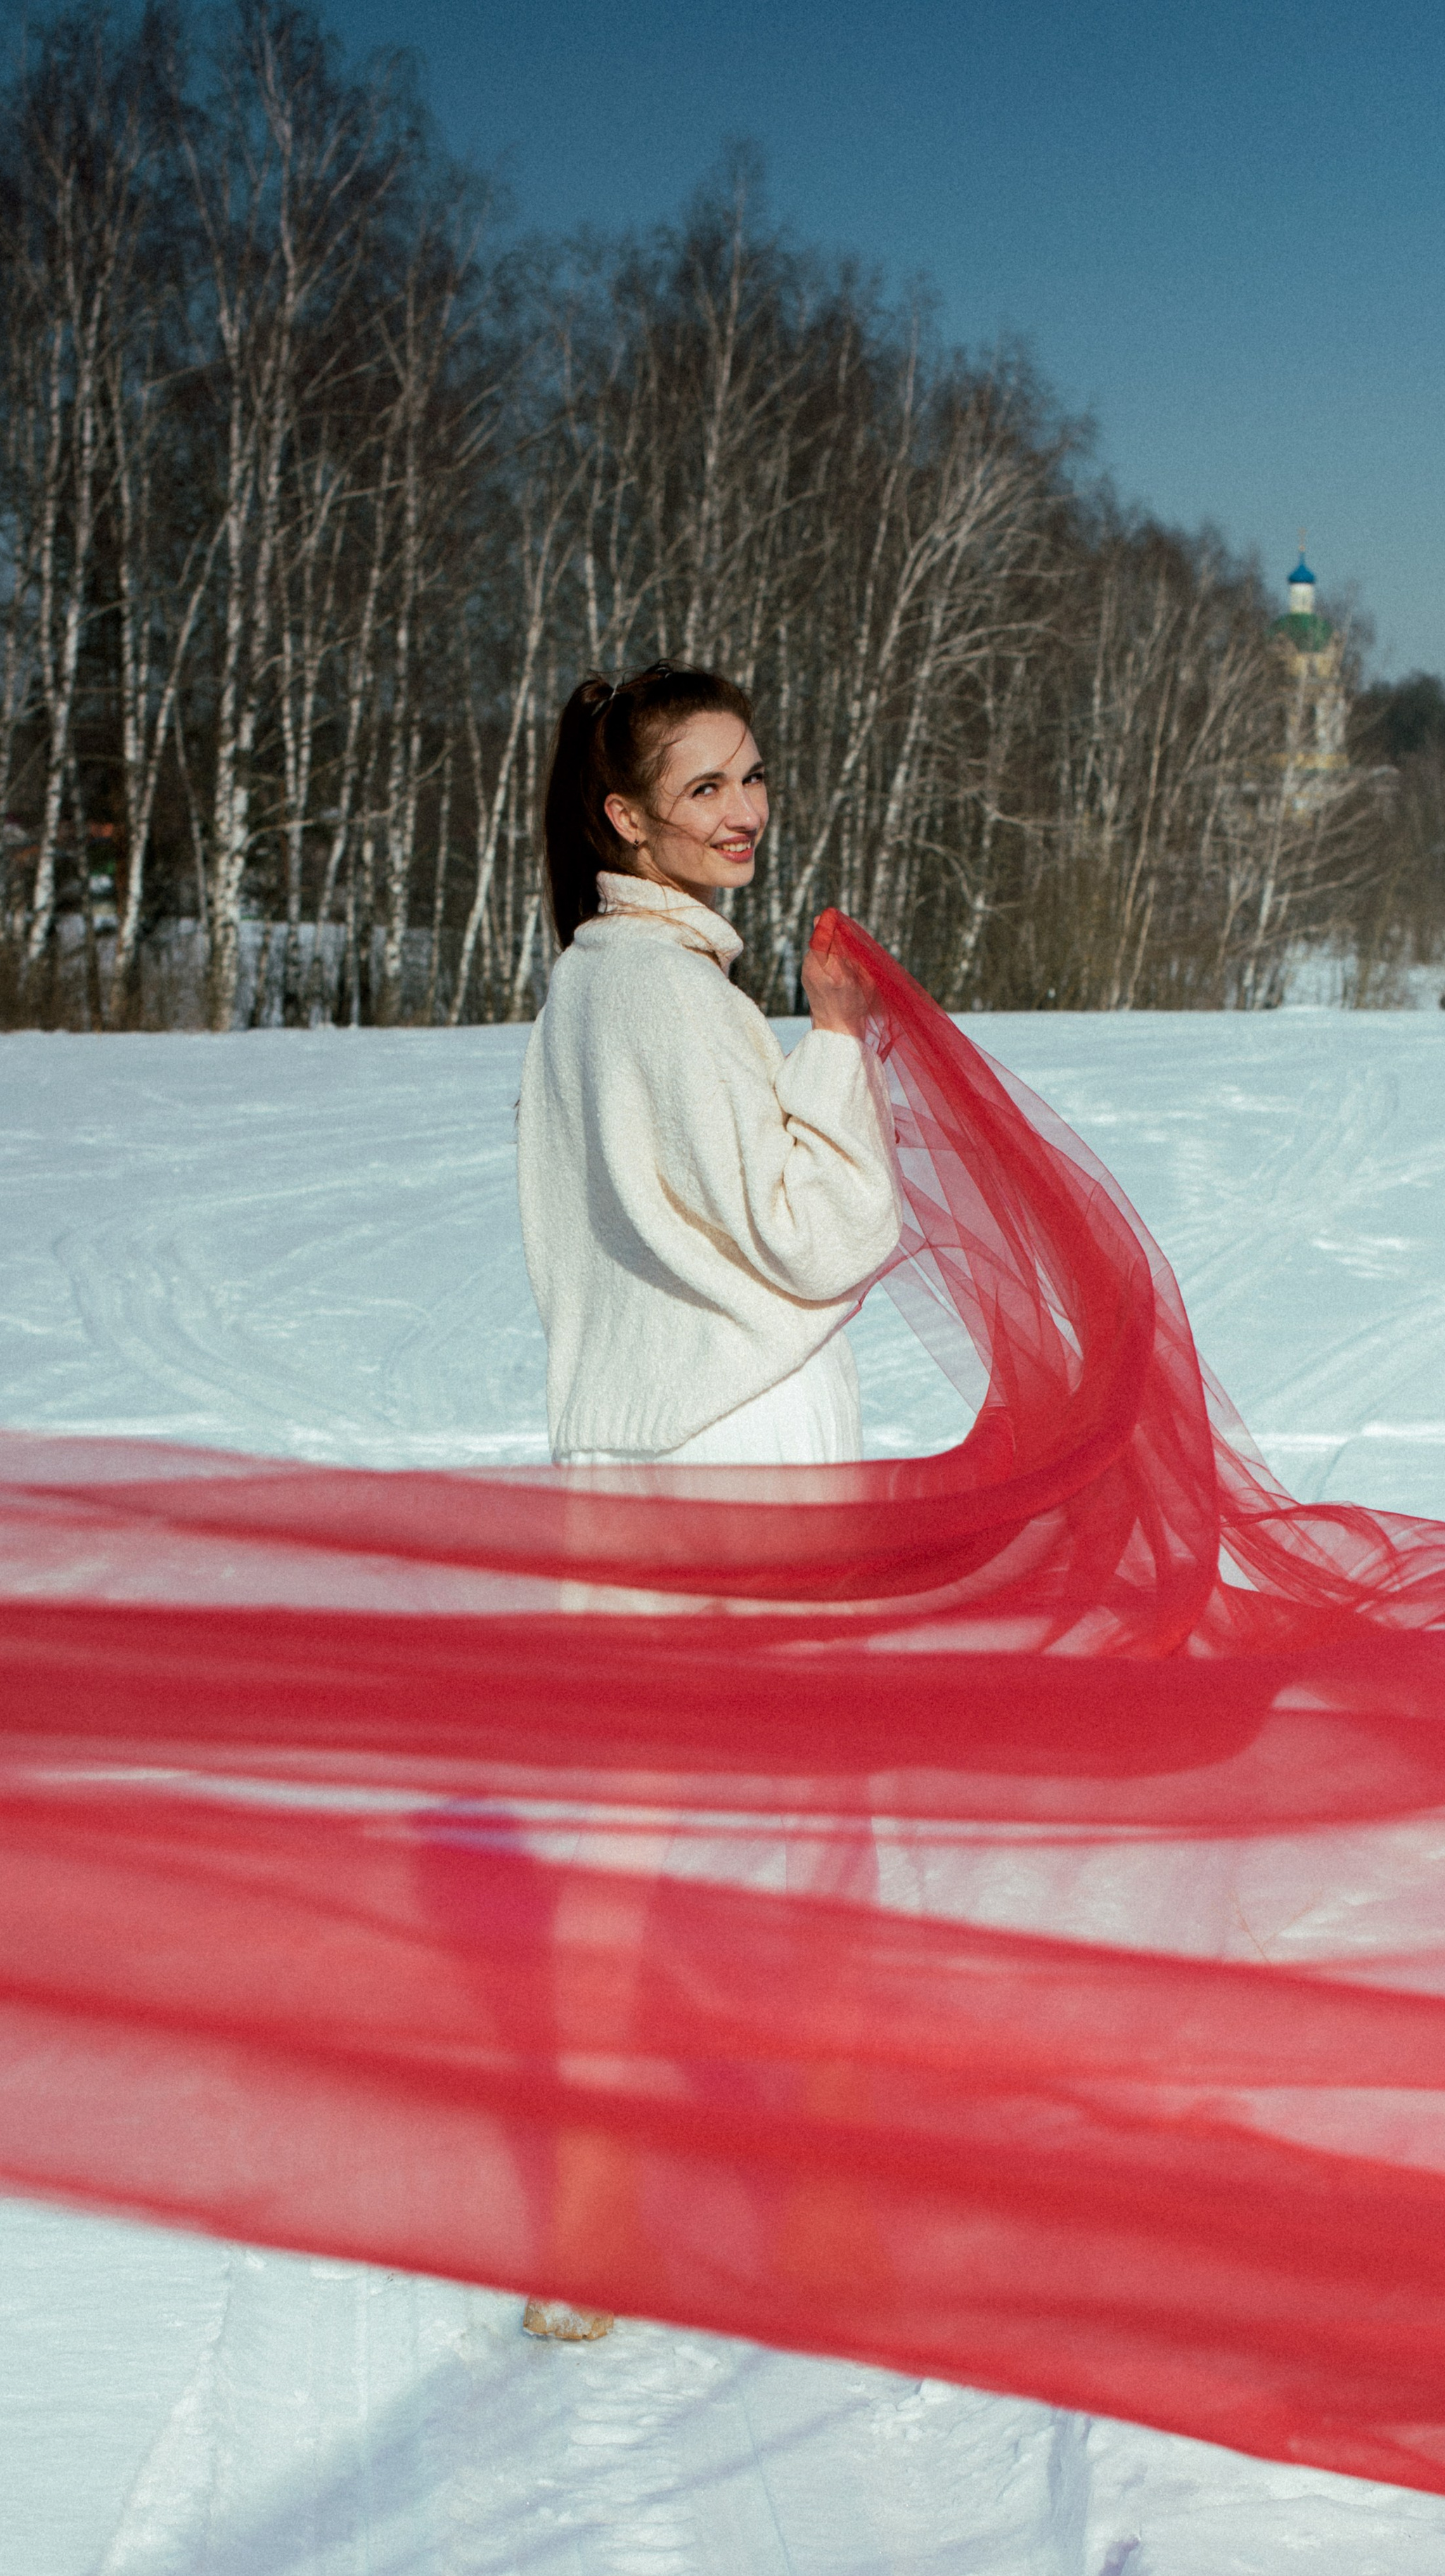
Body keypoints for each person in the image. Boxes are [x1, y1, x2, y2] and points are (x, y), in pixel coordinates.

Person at [514, 660, 903, 2342]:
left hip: (622, 1454)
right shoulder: (674, 999)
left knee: (623, 1837)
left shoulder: (586, 987)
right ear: (626, 819)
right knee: (813, 1830)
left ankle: (588, 2231)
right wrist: (836, 1052)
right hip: (742, 1451)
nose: (745, 811)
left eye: (752, 773)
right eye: (705, 790)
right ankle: (817, 2221)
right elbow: (812, 1233)